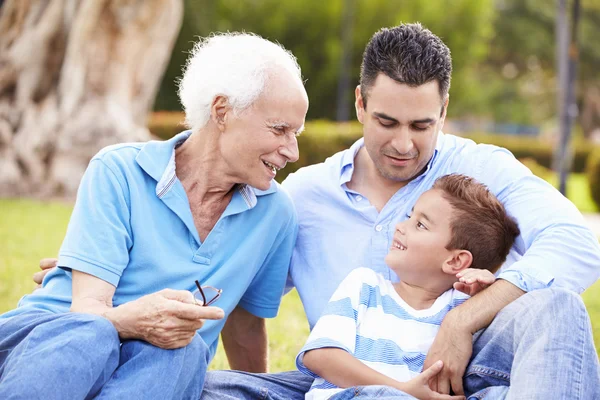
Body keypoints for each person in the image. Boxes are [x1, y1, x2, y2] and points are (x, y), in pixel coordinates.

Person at [200, 23, 600, 399]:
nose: (404, 144)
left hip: (464, 375)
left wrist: (463, 319)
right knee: (205, 388)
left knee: (557, 307)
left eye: (422, 126)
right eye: (387, 122)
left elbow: (577, 244)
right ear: (360, 103)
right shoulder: (305, 195)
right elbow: (246, 300)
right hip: (349, 381)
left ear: (443, 111)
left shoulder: (485, 168)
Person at [1, 32, 308, 400]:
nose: (292, 151)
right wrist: (139, 319)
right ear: (222, 111)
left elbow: (244, 326)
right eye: (280, 130)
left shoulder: (275, 214)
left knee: (187, 350)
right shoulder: (119, 169)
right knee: (97, 335)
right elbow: (87, 312)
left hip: (151, 367)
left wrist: (253, 391)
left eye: (297, 133)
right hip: (54, 340)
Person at [297, 174, 519, 400]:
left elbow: (518, 332)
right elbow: (319, 356)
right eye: (409, 216)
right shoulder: (365, 285)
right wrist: (400, 390)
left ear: (455, 261)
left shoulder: (459, 306)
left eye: (420, 225)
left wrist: (485, 294)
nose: (400, 227)